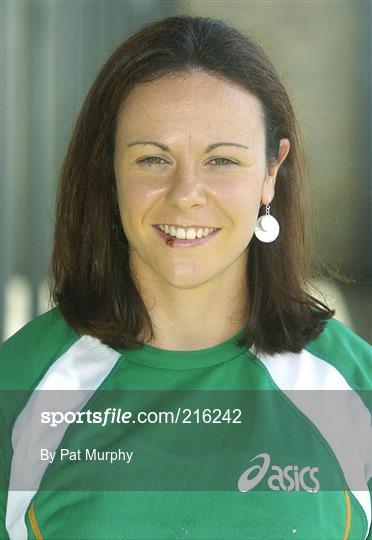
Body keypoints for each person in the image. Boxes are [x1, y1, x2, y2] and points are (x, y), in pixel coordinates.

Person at [1, 14, 371, 540]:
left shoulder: (354, 388)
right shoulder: (17, 388)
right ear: (108, 170)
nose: (185, 193)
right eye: (153, 159)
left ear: (271, 171)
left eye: (222, 160)